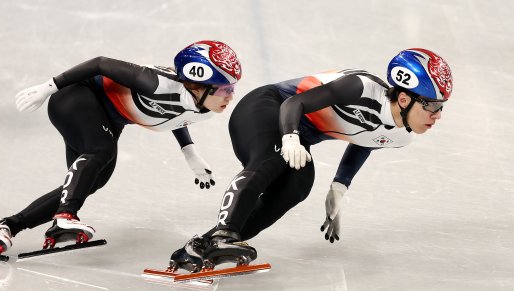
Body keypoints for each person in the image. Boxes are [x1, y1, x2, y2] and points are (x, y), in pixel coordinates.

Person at [168, 48, 453, 272]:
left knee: (299, 185)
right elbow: (294, 103)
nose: (437, 115)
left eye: (441, 107)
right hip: (267, 108)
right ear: (404, 99)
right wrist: (290, 137)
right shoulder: (361, 87)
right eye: (432, 106)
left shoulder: (402, 136)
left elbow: (368, 140)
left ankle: (201, 247)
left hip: (297, 134)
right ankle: (224, 233)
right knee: (273, 155)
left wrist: (339, 187)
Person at [0, 40, 242, 254]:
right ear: (197, 85)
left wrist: (190, 153)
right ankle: (65, 215)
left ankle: (6, 226)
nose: (230, 96)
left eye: (232, 88)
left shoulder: (205, 108)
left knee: (90, 183)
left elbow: (179, 117)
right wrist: (47, 88)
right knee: (100, 152)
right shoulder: (155, 82)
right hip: (76, 97)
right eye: (224, 89)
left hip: (109, 119)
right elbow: (100, 63)